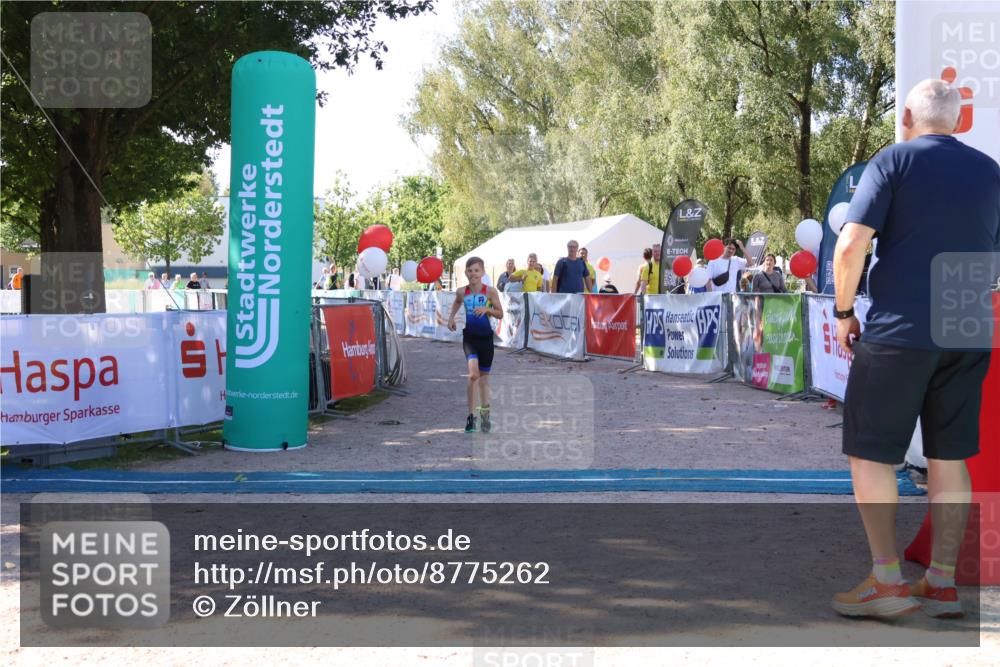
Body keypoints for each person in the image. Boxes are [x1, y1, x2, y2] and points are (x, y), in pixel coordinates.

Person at [830, 79, 1000, 619]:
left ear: (906, 117)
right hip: (968, 328)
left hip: (901, 330)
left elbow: (852, 242)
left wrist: (842, 311)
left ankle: (886, 582)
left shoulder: (892, 161)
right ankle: (942, 582)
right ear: (958, 121)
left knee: (870, 453)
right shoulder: (991, 172)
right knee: (949, 455)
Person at [447, 256, 503, 434]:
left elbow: (500, 313)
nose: (473, 274)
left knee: (484, 378)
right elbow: (456, 302)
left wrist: (488, 310)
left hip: (486, 338)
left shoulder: (490, 292)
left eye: (476, 270)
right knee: (473, 375)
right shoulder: (462, 292)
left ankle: (485, 415)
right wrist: (451, 318)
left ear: (483, 272)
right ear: (465, 273)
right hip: (470, 338)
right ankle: (471, 416)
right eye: (470, 271)